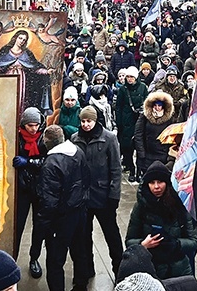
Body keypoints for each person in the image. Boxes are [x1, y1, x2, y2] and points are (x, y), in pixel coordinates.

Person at [71, 106, 123, 279]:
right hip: (83, 198)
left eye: (89, 121)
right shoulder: (75, 138)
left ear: (95, 121)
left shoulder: (108, 138)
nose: (86, 125)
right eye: (83, 121)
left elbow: (116, 168)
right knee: (84, 237)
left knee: (112, 237)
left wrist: (114, 195)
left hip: (103, 196)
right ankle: (87, 270)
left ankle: (120, 271)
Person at [125, 161, 197, 279]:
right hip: (150, 268)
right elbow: (129, 240)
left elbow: (193, 241)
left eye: (160, 182)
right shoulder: (140, 206)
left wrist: (177, 244)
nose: (156, 187)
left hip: (178, 268)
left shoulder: (180, 204)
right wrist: (143, 244)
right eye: (152, 182)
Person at [37, 125, 90, 291]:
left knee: (55, 261)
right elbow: (87, 178)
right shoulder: (78, 151)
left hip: (60, 219)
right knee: (80, 251)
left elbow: (49, 200)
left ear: (48, 142)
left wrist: (43, 225)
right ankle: (81, 285)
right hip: (80, 212)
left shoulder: (50, 164)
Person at [13, 107, 47, 278]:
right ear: (23, 125)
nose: (34, 129)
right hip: (22, 188)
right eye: (30, 125)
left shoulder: (44, 137)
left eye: (36, 125)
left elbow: (47, 160)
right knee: (16, 225)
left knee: (39, 226)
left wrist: (28, 161)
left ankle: (34, 258)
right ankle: (12, 258)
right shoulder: (16, 136)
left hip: (40, 187)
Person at [116, 66, 149, 181]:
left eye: (131, 77)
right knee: (127, 147)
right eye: (128, 77)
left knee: (140, 146)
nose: (129, 79)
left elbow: (147, 103)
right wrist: (119, 122)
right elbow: (118, 107)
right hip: (126, 120)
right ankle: (131, 169)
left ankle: (139, 170)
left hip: (140, 119)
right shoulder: (123, 89)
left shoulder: (143, 88)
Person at [134, 92, 174, 180]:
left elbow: (172, 138)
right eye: (155, 105)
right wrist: (141, 153)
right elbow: (138, 134)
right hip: (148, 154)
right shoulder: (144, 117)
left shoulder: (170, 119)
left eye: (159, 105)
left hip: (163, 155)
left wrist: (170, 156)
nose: (157, 108)